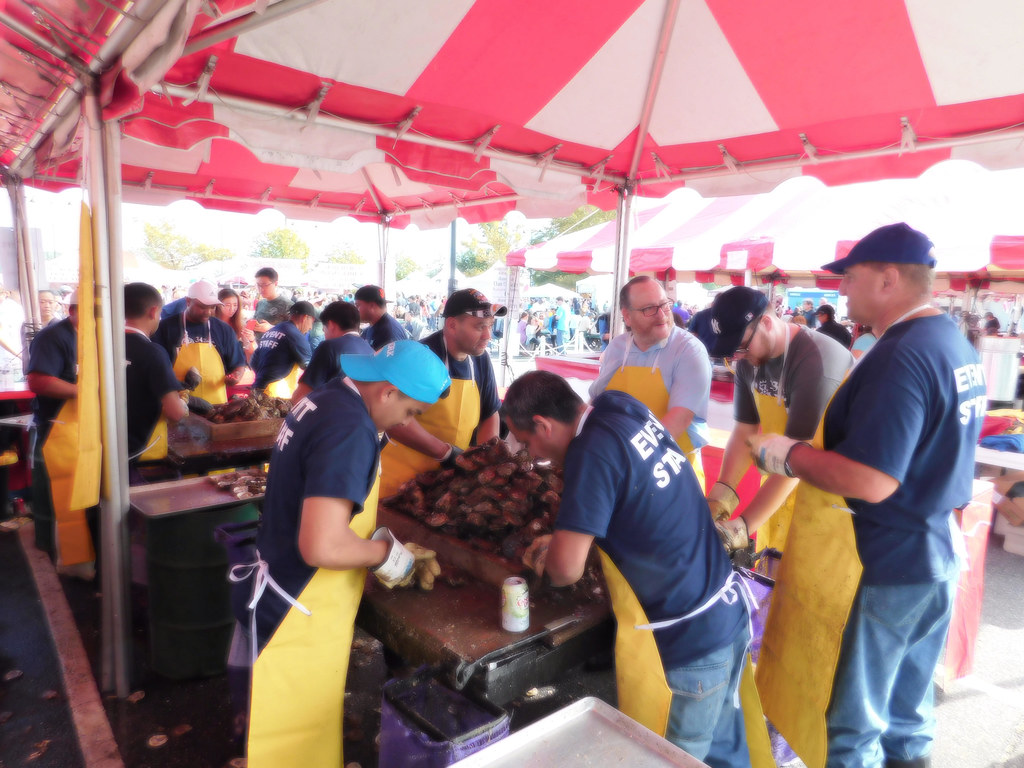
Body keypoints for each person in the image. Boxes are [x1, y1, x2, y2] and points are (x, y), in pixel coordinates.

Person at [749, 223, 986, 768]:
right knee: (907, 713)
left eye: (850, 277)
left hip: (890, 561)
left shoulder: (901, 355)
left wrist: (789, 455)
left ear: (888, 278)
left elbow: (873, 480)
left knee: (855, 725)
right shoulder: (950, 341)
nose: (841, 290)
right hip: (936, 552)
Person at [503, 371, 767, 768]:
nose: (531, 453)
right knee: (725, 756)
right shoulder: (620, 406)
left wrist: (548, 558)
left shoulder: (589, 453)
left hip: (688, 645)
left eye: (526, 442)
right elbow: (635, 502)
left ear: (543, 424)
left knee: (675, 759)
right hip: (726, 615)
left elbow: (565, 570)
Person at [233, 341, 451, 768]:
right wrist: (391, 555)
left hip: (281, 581)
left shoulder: (329, 396)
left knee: (295, 730)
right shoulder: (350, 429)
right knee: (293, 740)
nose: (407, 423)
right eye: (410, 411)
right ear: (388, 391)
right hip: (298, 603)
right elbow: (322, 545)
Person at [706, 286, 853, 552]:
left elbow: (798, 454)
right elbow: (745, 431)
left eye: (742, 346)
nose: (739, 356)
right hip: (778, 492)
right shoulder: (749, 361)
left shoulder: (816, 360)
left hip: (831, 503)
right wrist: (722, 494)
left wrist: (742, 527)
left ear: (765, 322)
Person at [378, 288, 505, 498]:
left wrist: (486, 461)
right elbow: (393, 420)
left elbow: (490, 413)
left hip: (446, 485)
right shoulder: (421, 356)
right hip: (398, 481)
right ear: (452, 325)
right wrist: (445, 453)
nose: (488, 336)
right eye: (480, 326)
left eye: (490, 326)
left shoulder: (480, 360)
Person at [590, 276, 711, 489]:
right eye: (649, 309)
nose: (662, 314)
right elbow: (596, 402)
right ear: (627, 316)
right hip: (623, 469)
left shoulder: (689, 350)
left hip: (675, 471)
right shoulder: (617, 348)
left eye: (664, 305)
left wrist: (628, 464)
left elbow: (678, 420)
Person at [26, 290, 90, 568]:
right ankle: (53, 552)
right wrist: (85, 391)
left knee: (79, 496)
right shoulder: (53, 337)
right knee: (54, 496)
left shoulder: (96, 337)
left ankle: (79, 555)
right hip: (56, 428)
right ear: (72, 311)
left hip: (87, 427)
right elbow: (38, 381)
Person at [123, 283, 187, 472]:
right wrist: (183, 402)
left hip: (101, 447)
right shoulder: (152, 352)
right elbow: (175, 413)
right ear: (153, 311)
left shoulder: (102, 344)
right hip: (139, 454)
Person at [153, 279, 247, 405]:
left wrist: (236, 376)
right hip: (177, 403)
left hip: (216, 405)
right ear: (188, 301)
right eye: (202, 307)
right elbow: (156, 368)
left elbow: (238, 364)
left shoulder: (224, 329)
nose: (208, 312)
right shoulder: (165, 327)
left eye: (212, 307)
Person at [291, 301, 372, 403]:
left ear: (331, 325)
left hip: (331, 410)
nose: (324, 332)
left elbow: (301, 396)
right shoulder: (370, 350)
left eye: (324, 328)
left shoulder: (329, 347)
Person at [250, 301, 316, 397]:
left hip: (257, 388)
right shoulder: (295, 335)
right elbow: (310, 367)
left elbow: (254, 362)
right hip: (274, 393)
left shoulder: (272, 331)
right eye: (312, 322)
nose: (310, 327)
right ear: (305, 318)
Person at [354, 285, 408, 350]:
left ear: (372, 306)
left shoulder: (389, 333)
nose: (355, 310)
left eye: (357, 305)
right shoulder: (371, 328)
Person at [217, 287, 257, 361]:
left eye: (235, 305)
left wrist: (251, 340)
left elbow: (250, 353)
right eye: (227, 305)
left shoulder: (240, 325)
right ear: (218, 304)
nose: (232, 309)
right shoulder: (211, 323)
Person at [251, 268, 291, 342]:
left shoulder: (288, 305)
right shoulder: (260, 303)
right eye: (258, 285)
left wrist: (272, 328)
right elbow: (255, 320)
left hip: (276, 347)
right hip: (258, 346)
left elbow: (296, 332)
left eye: (265, 285)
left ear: (275, 284)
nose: (261, 289)